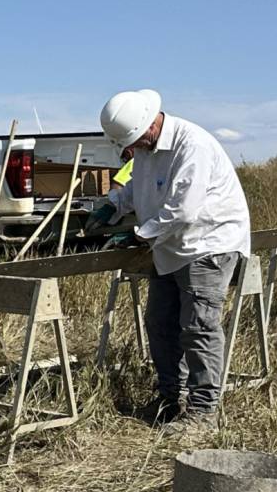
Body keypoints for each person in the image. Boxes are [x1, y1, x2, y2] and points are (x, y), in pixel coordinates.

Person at [98, 89, 252, 431]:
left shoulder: (191, 144)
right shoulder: (146, 149)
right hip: (170, 246)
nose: (133, 147)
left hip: (209, 243)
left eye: (136, 139)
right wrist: (113, 204)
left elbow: (183, 209)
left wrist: (141, 234)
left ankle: (203, 412)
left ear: (152, 123)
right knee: (159, 323)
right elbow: (138, 189)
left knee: (198, 327)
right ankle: (171, 398)